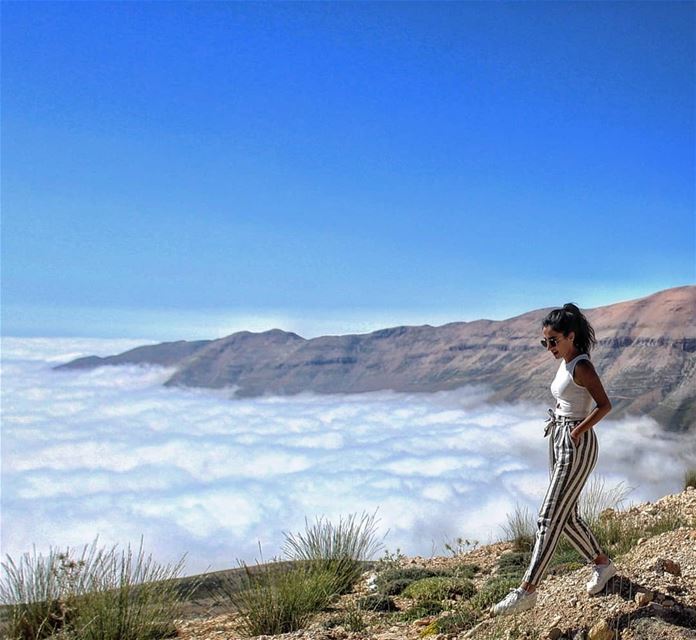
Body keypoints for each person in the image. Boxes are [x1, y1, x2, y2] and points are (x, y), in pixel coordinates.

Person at [491, 303, 616, 617]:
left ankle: (526, 591)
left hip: (576, 442)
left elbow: (604, 405)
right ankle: (603, 565)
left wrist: (577, 432)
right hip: (559, 437)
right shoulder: (566, 360)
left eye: (553, 341)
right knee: (567, 517)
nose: (549, 348)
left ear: (570, 337)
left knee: (548, 517)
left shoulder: (581, 366)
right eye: (544, 342)